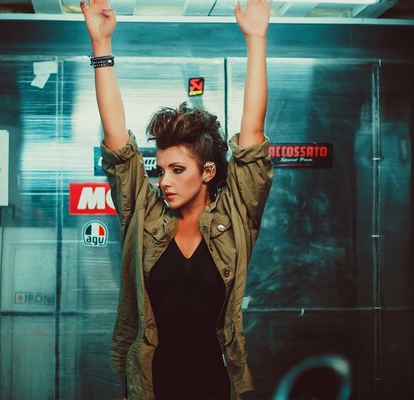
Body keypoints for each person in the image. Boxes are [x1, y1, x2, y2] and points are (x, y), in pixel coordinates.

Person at [80, 0, 273, 398]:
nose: (164, 181)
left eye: (177, 170)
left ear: (207, 173)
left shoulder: (235, 217)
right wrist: (101, 45)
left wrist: (256, 40)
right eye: (161, 170)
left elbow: (252, 137)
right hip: (154, 387)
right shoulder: (146, 217)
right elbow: (118, 143)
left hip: (217, 386)